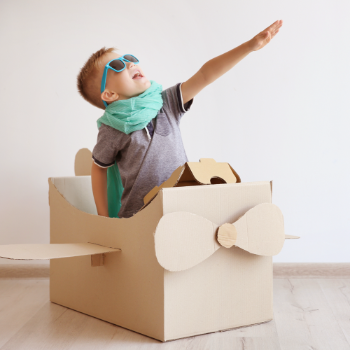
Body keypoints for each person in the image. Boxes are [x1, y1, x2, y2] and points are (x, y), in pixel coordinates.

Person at [76, 20, 283, 219]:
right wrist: (103, 218)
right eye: (118, 65)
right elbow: (99, 168)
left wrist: (248, 47)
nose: (130, 63)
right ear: (110, 94)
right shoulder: (112, 129)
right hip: (139, 216)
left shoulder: (166, 103)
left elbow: (204, 75)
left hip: (183, 208)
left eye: (129, 58)